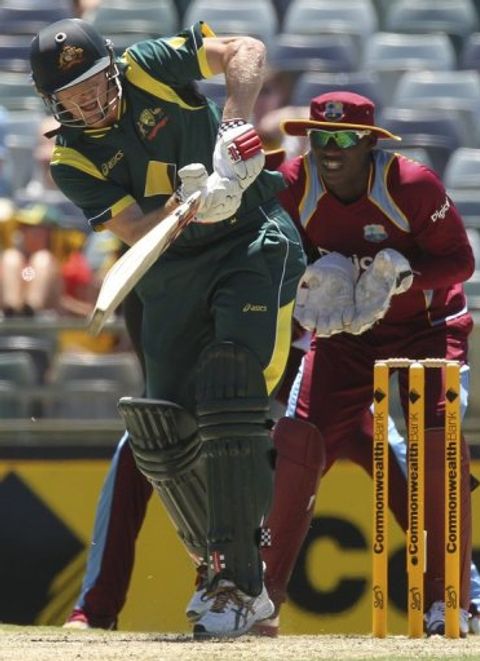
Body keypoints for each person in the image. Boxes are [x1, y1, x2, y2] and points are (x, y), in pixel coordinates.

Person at [29, 17, 305, 639]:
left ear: (112, 68)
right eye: (71, 98)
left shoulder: (149, 63)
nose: (90, 103)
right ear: (53, 104)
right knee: (161, 431)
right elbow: (134, 231)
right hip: (171, 265)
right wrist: (195, 206)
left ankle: (240, 584)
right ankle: (222, 572)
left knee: (229, 388)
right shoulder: (72, 158)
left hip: (251, 242)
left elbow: (246, 49)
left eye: (95, 84)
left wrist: (235, 122)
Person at [256, 90, 476, 638]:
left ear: (369, 144)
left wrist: (406, 277)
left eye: (344, 139)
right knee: (299, 438)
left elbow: (461, 262)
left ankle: (444, 603)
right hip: (349, 331)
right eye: (320, 137)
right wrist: (308, 273)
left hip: (429, 326)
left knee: (434, 442)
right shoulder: (293, 183)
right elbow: (269, 247)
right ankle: (262, 600)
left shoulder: (412, 185)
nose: (330, 149)